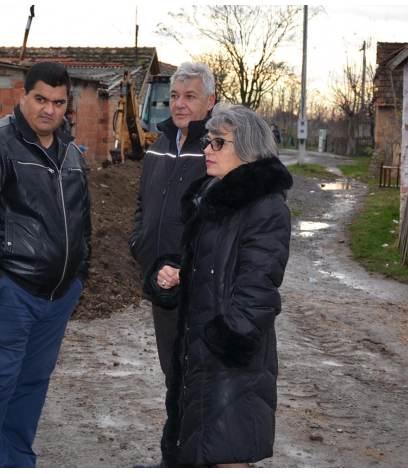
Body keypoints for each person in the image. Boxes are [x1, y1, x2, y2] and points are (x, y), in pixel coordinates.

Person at [0, 61, 92, 468]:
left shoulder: (70, 153)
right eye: (41, 99)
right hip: (5, 295)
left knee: (31, 388)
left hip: (56, 299)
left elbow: (84, 220)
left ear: (68, 106)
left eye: (59, 102)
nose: (49, 110)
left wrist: (79, 277)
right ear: (23, 95)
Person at [138, 103, 292, 468]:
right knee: (197, 442)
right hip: (199, 349)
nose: (206, 149)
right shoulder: (209, 198)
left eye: (218, 143)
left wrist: (221, 343)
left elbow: (257, 293)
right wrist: (173, 275)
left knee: (228, 450)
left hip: (230, 359)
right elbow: (203, 269)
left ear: (249, 150)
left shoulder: (265, 208)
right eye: (209, 141)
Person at [128, 62, 216, 383]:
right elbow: (142, 207)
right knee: (172, 372)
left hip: (197, 288)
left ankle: (195, 433)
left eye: (190, 96)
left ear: (210, 101)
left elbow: (221, 224)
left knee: (200, 375)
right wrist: (140, 247)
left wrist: (187, 267)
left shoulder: (216, 151)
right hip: (161, 285)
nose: (179, 104)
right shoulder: (157, 149)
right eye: (175, 96)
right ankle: (179, 432)